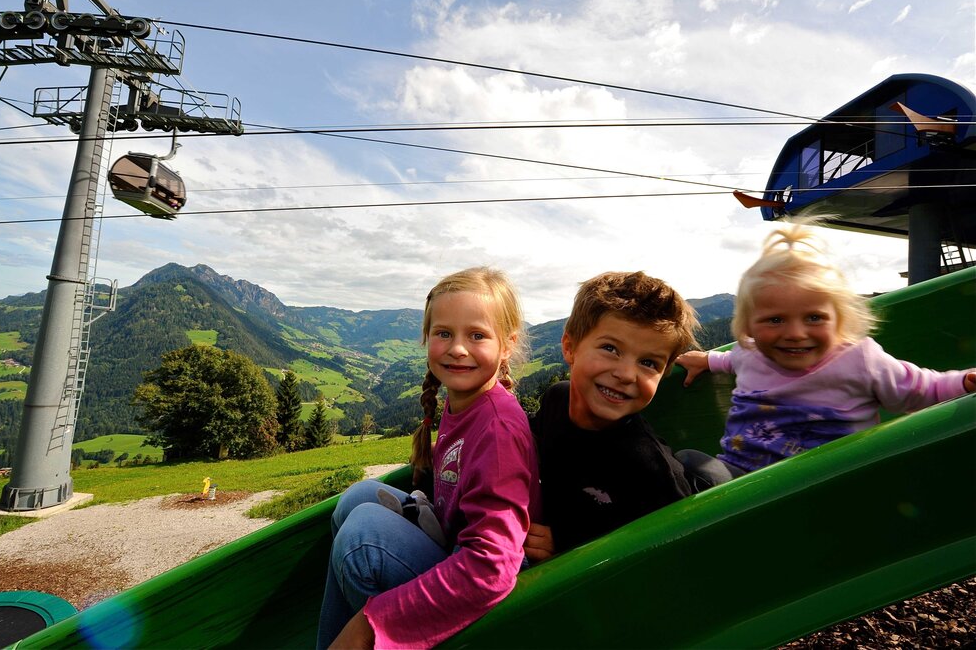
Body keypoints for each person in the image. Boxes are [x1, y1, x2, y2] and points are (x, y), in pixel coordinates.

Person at [317, 266, 541, 649]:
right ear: (426, 337)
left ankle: (361, 639)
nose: (457, 348)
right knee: (358, 497)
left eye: (477, 335)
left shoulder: (498, 429)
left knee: (361, 539)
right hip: (453, 544)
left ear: (506, 345)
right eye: (444, 333)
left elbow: (491, 567)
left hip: (494, 589)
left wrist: (372, 625)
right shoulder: (465, 401)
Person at [675, 220, 976, 490]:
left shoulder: (859, 358)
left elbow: (918, 388)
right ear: (748, 327)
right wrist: (706, 360)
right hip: (741, 476)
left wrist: (964, 382)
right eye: (775, 320)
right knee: (686, 463)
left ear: (840, 320)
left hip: (827, 483)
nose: (795, 333)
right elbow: (730, 360)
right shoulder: (750, 351)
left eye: (814, 318)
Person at [523, 271, 699, 561]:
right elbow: (525, 441)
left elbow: (676, 545)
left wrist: (569, 542)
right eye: (610, 349)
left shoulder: (650, 471)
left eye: (648, 363)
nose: (626, 374)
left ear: (663, 373)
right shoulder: (556, 399)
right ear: (570, 347)